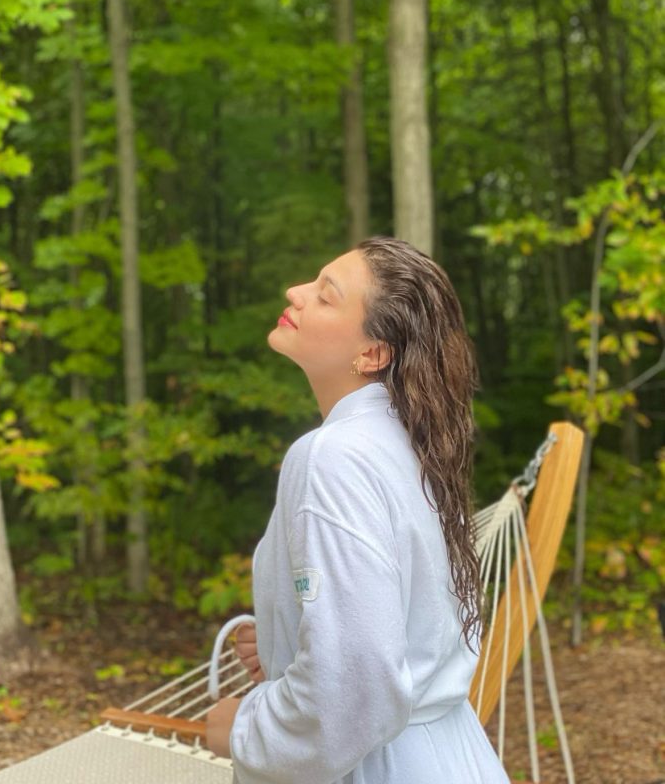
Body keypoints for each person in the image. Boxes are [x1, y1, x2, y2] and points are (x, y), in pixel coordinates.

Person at [206, 237, 510, 783]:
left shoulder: (333, 456)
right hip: (450, 756)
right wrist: (285, 637)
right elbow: (407, 627)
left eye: (326, 296)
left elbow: (356, 688)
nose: (294, 292)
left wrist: (242, 729)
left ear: (372, 353)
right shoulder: (415, 449)